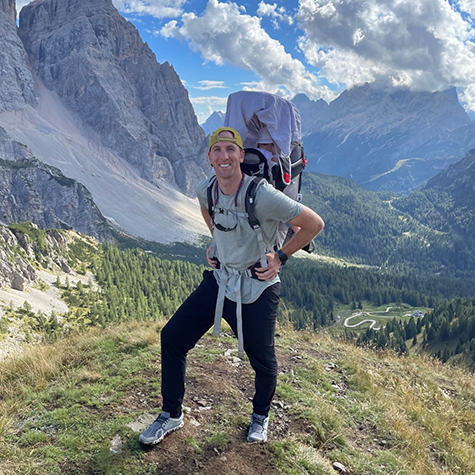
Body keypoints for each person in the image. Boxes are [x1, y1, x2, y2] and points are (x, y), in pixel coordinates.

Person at [139, 127, 324, 445]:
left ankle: (260, 417)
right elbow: (206, 211)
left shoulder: (262, 195)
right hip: (220, 280)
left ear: (241, 154)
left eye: (230, 149)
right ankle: (171, 414)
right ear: (210, 158)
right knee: (172, 337)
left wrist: (280, 256)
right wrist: (217, 242)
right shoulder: (206, 190)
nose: (224, 156)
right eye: (217, 150)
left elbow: (313, 224)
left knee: (263, 362)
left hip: (257, 288)